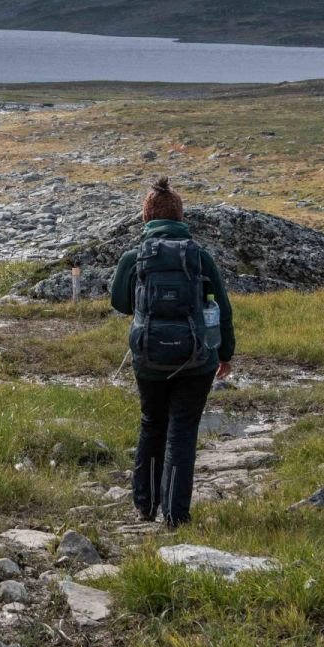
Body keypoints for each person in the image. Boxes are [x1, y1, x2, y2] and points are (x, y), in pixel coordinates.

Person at [110, 178, 235, 528]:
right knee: (182, 433)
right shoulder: (200, 257)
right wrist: (225, 353)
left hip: (149, 359)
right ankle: (176, 516)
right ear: (181, 215)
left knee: (153, 425)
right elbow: (223, 310)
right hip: (196, 361)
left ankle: (145, 505)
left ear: (145, 217)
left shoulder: (134, 258)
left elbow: (120, 303)